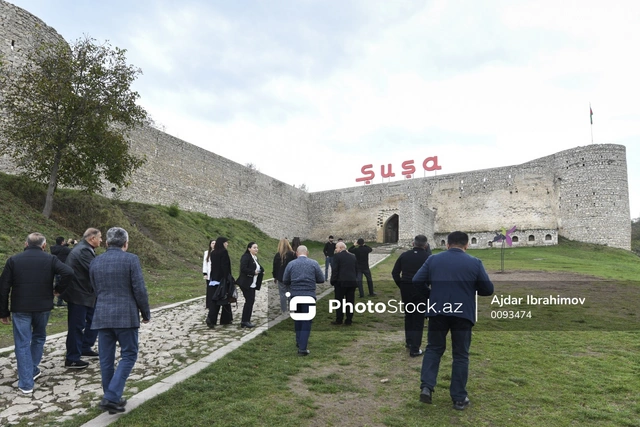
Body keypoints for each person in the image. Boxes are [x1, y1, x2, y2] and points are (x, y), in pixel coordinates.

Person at [412, 231, 494, 410]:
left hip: (437, 311)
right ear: (467, 245)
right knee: (461, 354)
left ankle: (427, 386)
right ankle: (458, 397)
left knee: (433, 349)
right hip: (462, 313)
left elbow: (417, 280)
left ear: (447, 244)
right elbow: (488, 289)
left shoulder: (433, 259)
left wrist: (431, 296)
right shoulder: (474, 262)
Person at [0, 233, 74, 394]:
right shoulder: (51, 259)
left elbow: (3, 287)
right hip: (43, 306)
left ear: (26, 244)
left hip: (20, 308)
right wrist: (58, 290)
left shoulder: (13, 260)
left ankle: (26, 382)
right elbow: (68, 272)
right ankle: (31, 369)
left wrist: (3, 311)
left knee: (22, 342)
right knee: (39, 337)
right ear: (44, 245)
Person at [89, 227, 150, 414]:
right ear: (126, 243)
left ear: (107, 243)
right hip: (126, 316)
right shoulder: (131, 259)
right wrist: (145, 312)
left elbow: (94, 288)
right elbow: (139, 289)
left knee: (106, 360)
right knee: (129, 354)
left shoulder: (95, 262)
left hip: (102, 315)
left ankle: (111, 398)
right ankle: (112, 396)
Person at [61, 228, 102, 369]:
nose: (101, 240)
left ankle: (84, 346)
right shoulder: (84, 251)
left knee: (95, 320)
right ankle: (72, 358)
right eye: (100, 237)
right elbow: (96, 270)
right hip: (79, 294)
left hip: (86, 293)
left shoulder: (85, 249)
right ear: (92, 238)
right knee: (76, 326)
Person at [391, 234, 432, 357]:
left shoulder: (404, 255)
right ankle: (415, 348)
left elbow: (395, 273)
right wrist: (427, 286)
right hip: (421, 289)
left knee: (409, 315)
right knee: (418, 319)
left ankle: (409, 341)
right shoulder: (428, 257)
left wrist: (402, 284)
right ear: (425, 245)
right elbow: (432, 275)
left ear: (413, 243)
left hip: (406, 288)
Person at [282, 245, 324, 356]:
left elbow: (285, 280)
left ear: (296, 253)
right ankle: (302, 348)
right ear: (307, 252)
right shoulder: (314, 263)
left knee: (298, 319)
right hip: (309, 295)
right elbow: (321, 279)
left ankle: (299, 341)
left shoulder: (291, 264)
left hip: (295, 295)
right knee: (306, 321)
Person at [207, 237, 234, 327]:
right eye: (226, 242)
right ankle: (214, 318)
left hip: (214, 278)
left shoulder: (213, 253)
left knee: (218, 298)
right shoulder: (224, 252)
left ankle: (225, 318)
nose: (227, 244)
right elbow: (225, 266)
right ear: (222, 243)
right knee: (222, 298)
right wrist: (228, 278)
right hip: (222, 279)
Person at [329, 241, 358, 325]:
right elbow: (356, 269)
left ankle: (339, 319)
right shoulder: (353, 257)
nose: (335, 249)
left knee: (339, 302)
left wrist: (333, 281)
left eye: (336, 248)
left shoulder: (337, 257)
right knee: (350, 302)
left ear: (341, 248)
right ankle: (349, 319)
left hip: (340, 283)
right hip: (352, 282)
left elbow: (335, 270)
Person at [237, 242, 264, 328]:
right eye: (254, 248)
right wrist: (253, 272)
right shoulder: (246, 257)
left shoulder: (254, 257)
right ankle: (245, 321)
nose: (256, 249)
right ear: (249, 249)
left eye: (257, 248)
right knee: (249, 301)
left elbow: (258, 266)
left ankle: (246, 320)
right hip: (246, 283)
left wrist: (261, 271)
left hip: (252, 283)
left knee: (251, 301)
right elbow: (243, 268)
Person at [272, 238, 296, 313]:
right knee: (291, 293)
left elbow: (275, 267)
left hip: (281, 277)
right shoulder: (292, 254)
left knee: (282, 294)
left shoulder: (277, 255)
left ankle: (284, 310)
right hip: (290, 277)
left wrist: (275, 277)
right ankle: (292, 309)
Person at [50, 236, 71, 307]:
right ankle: (60, 301)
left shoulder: (53, 248)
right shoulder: (64, 249)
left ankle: (51, 301)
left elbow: (60, 248)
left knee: (55, 284)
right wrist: (75, 244)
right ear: (62, 242)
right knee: (62, 285)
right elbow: (73, 251)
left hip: (54, 269)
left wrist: (67, 244)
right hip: (62, 269)